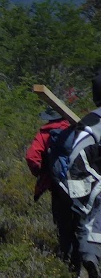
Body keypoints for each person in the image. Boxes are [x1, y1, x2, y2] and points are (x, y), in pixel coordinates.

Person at [26, 106, 78, 266]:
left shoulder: (44, 133)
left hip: (58, 187)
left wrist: (43, 173)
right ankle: (85, 259)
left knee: (63, 222)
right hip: (82, 183)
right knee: (81, 221)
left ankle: (68, 262)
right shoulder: (76, 128)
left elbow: (31, 157)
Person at [67, 70, 101, 278]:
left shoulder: (91, 121)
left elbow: (75, 156)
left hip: (87, 180)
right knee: (91, 222)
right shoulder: (94, 122)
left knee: (87, 223)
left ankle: (90, 259)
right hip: (91, 180)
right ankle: (90, 259)